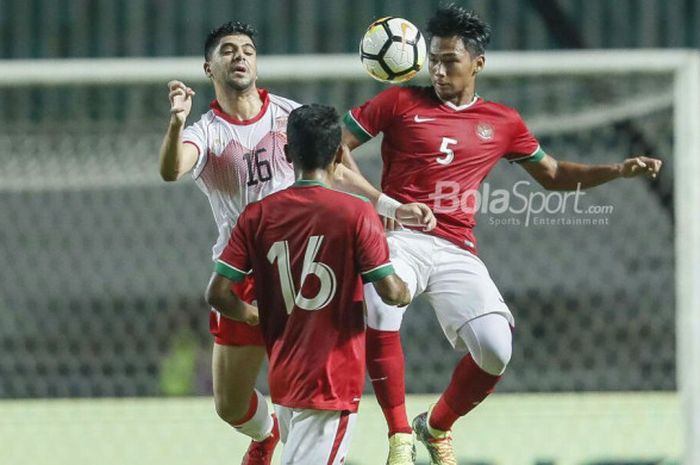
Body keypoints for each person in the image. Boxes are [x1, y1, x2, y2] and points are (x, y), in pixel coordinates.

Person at [337, 5, 664, 465]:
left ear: (478, 64)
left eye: (450, 59)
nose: (438, 68)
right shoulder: (398, 103)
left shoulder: (502, 121)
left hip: (455, 246)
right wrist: (382, 205)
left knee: (495, 349)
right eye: (433, 58)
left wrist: (616, 170)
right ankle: (398, 436)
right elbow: (335, 146)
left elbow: (552, 175)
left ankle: (434, 427)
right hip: (399, 237)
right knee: (382, 297)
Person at [158, 20, 434, 465]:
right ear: (208, 67)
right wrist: (176, 123)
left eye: (247, 48)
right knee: (230, 404)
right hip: (244, 273)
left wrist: (387, 206)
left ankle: (365, 438)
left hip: (305, 265)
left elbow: (335, 167)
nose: (240, 56)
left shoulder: (291, 114)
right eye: (227, 50)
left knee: (315, 396)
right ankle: (267, 437)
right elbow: (172, 169)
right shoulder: (206, 130)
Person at [205, 104, 412, 465]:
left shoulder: (257, 216)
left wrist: (255, 315)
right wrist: (407, 286)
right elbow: (392, 293)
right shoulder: (355, 212)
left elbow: (218, 294)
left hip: (285, 377)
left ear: (287, 155)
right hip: (332, 382)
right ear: (338, 155)